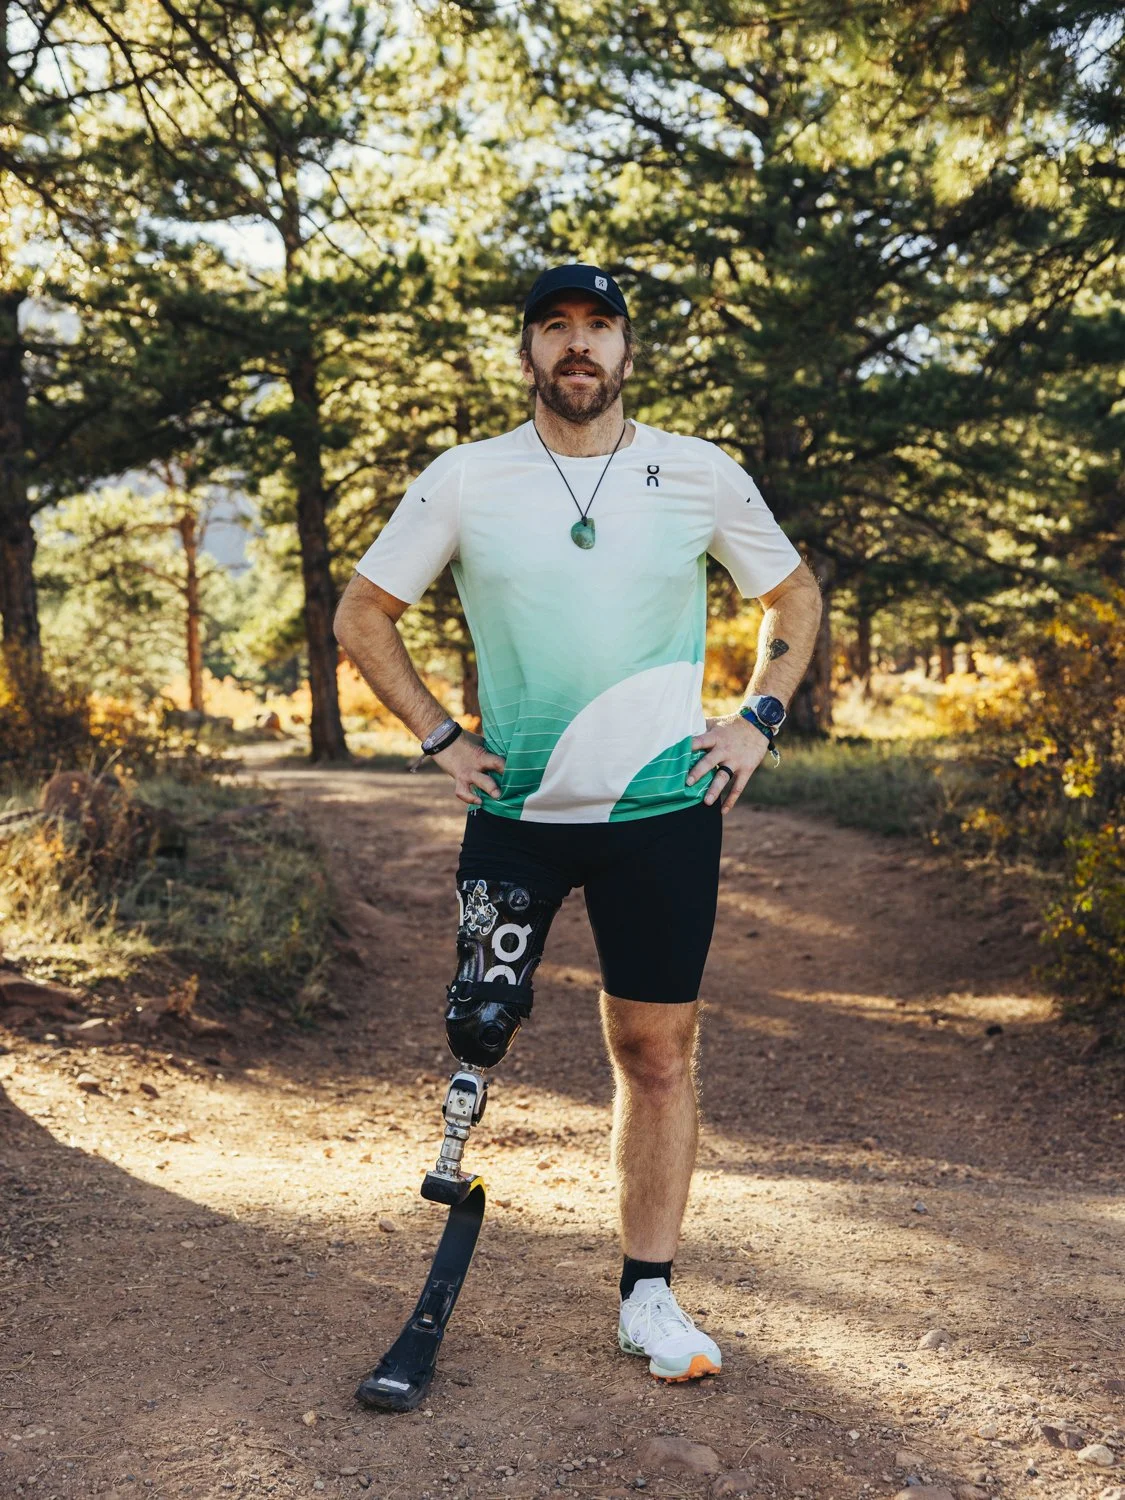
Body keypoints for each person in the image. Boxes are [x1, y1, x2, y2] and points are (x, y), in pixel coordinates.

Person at [334, 262, 823, 1383]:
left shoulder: (697, 474)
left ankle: (649, 1299)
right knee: (479, 1032)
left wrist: (756, 718)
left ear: (627, 352)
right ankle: (429, 1246)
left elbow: (792, 595)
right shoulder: (466, 478)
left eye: (599, 327)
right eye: (555, 328)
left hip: (663, 816)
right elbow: (363, 613)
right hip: (516, 817)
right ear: (527, 354)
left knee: (657, 1052)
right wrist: (439, 735)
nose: (578, 347)